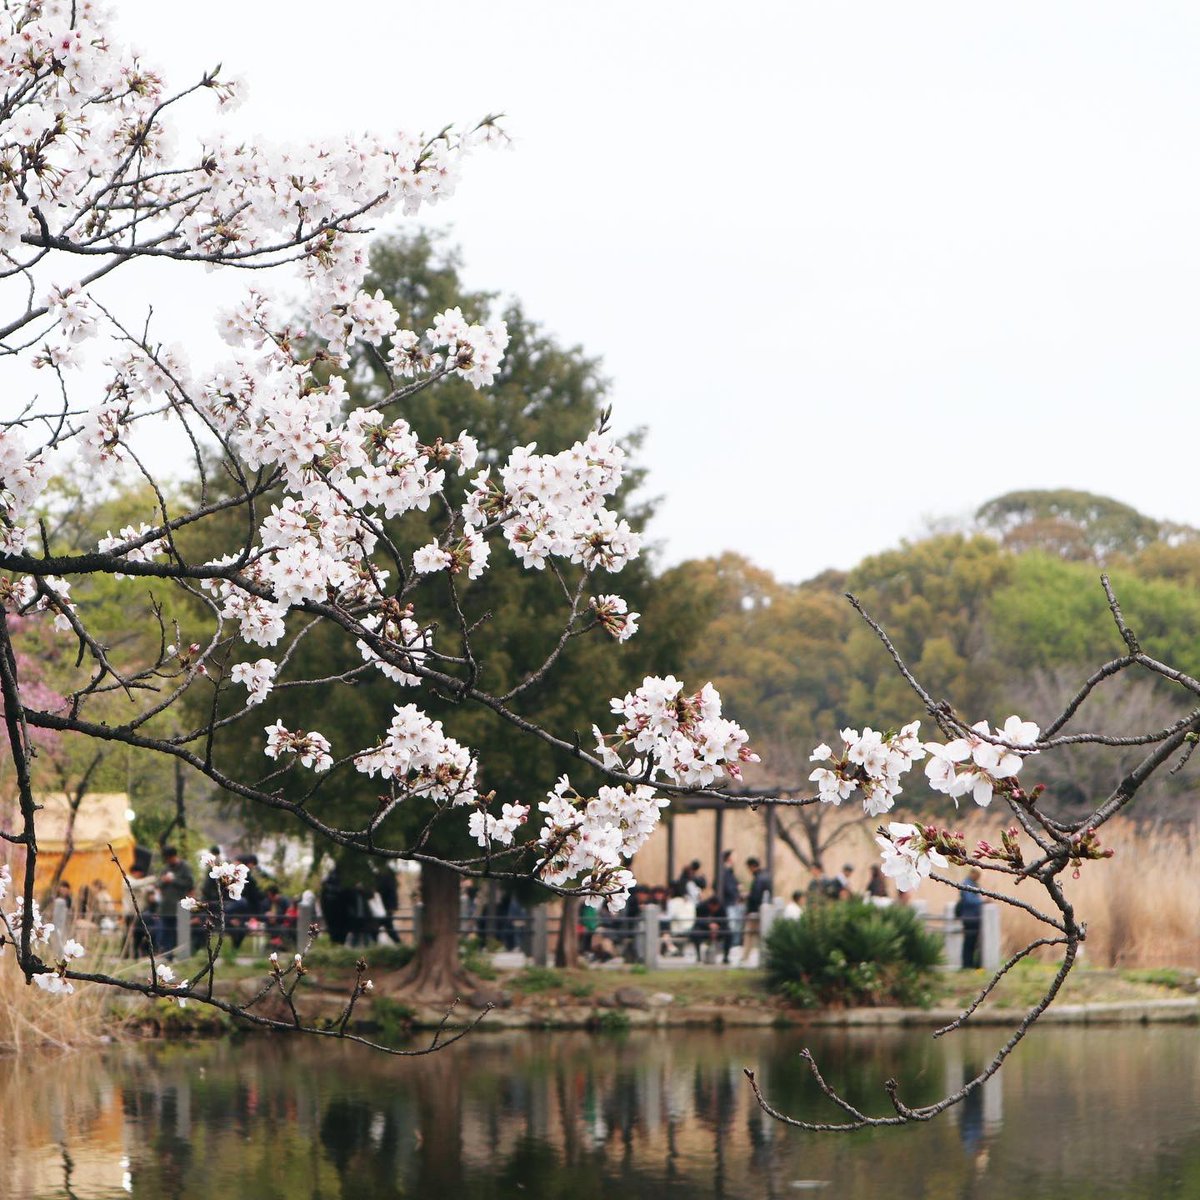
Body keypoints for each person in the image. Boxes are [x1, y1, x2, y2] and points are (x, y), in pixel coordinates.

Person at [157, 846, 194, 955]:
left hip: (181, 905)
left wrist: (174, 880)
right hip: (167, 907)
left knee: (182, 931)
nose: (168, 861)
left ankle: (183, 956)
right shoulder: (165, 868)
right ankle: (168, 955)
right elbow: (159, 884)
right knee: (167, 932)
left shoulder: (185, 867)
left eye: (169, 858)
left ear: (174, 856)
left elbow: (189, 884)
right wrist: (164, 881)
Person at [741, 856, 772, 964]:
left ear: (752, 866)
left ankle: (745, 957)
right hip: (764, 911)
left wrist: (748, 897)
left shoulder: (758, 879)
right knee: (760, 935)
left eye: (749, 868)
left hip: (755, 911)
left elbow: (756, 896)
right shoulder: (766, 876)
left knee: (749, 934)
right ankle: (765, 957)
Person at [689, 889, 730, 963]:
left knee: (729, 933)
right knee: (694, 932)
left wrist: (717, 926)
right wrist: (708, 924)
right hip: (704, 929)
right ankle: (698, 956)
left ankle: (726, 957)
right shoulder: (701, 907)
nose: (714, 909)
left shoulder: (721, 908)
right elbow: (698, 921)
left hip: (719, 929)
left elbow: (725, 922)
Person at [955, 869, 984, 968]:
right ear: (973, 873)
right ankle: (967, 964)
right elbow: (969, 900)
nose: (979, 877)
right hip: (969, 917)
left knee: (972, 942)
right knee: (969, 942)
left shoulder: (972, 883)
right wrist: (982, 901)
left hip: (972, 916)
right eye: (978, 875)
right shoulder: (967, 883)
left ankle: (970, 963)